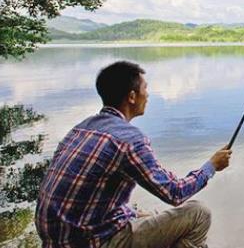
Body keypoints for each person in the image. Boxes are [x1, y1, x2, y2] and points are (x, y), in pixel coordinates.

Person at [35, 61, 232, 248]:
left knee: (143, 212)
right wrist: (212, 166)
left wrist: (134, 214)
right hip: (92, 243)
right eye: (145, 89)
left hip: (57, 240)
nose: (148, 95)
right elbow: (174, 193)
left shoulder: (82, 128)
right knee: (198, 213)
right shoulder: (129, 140)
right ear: (131, 96)